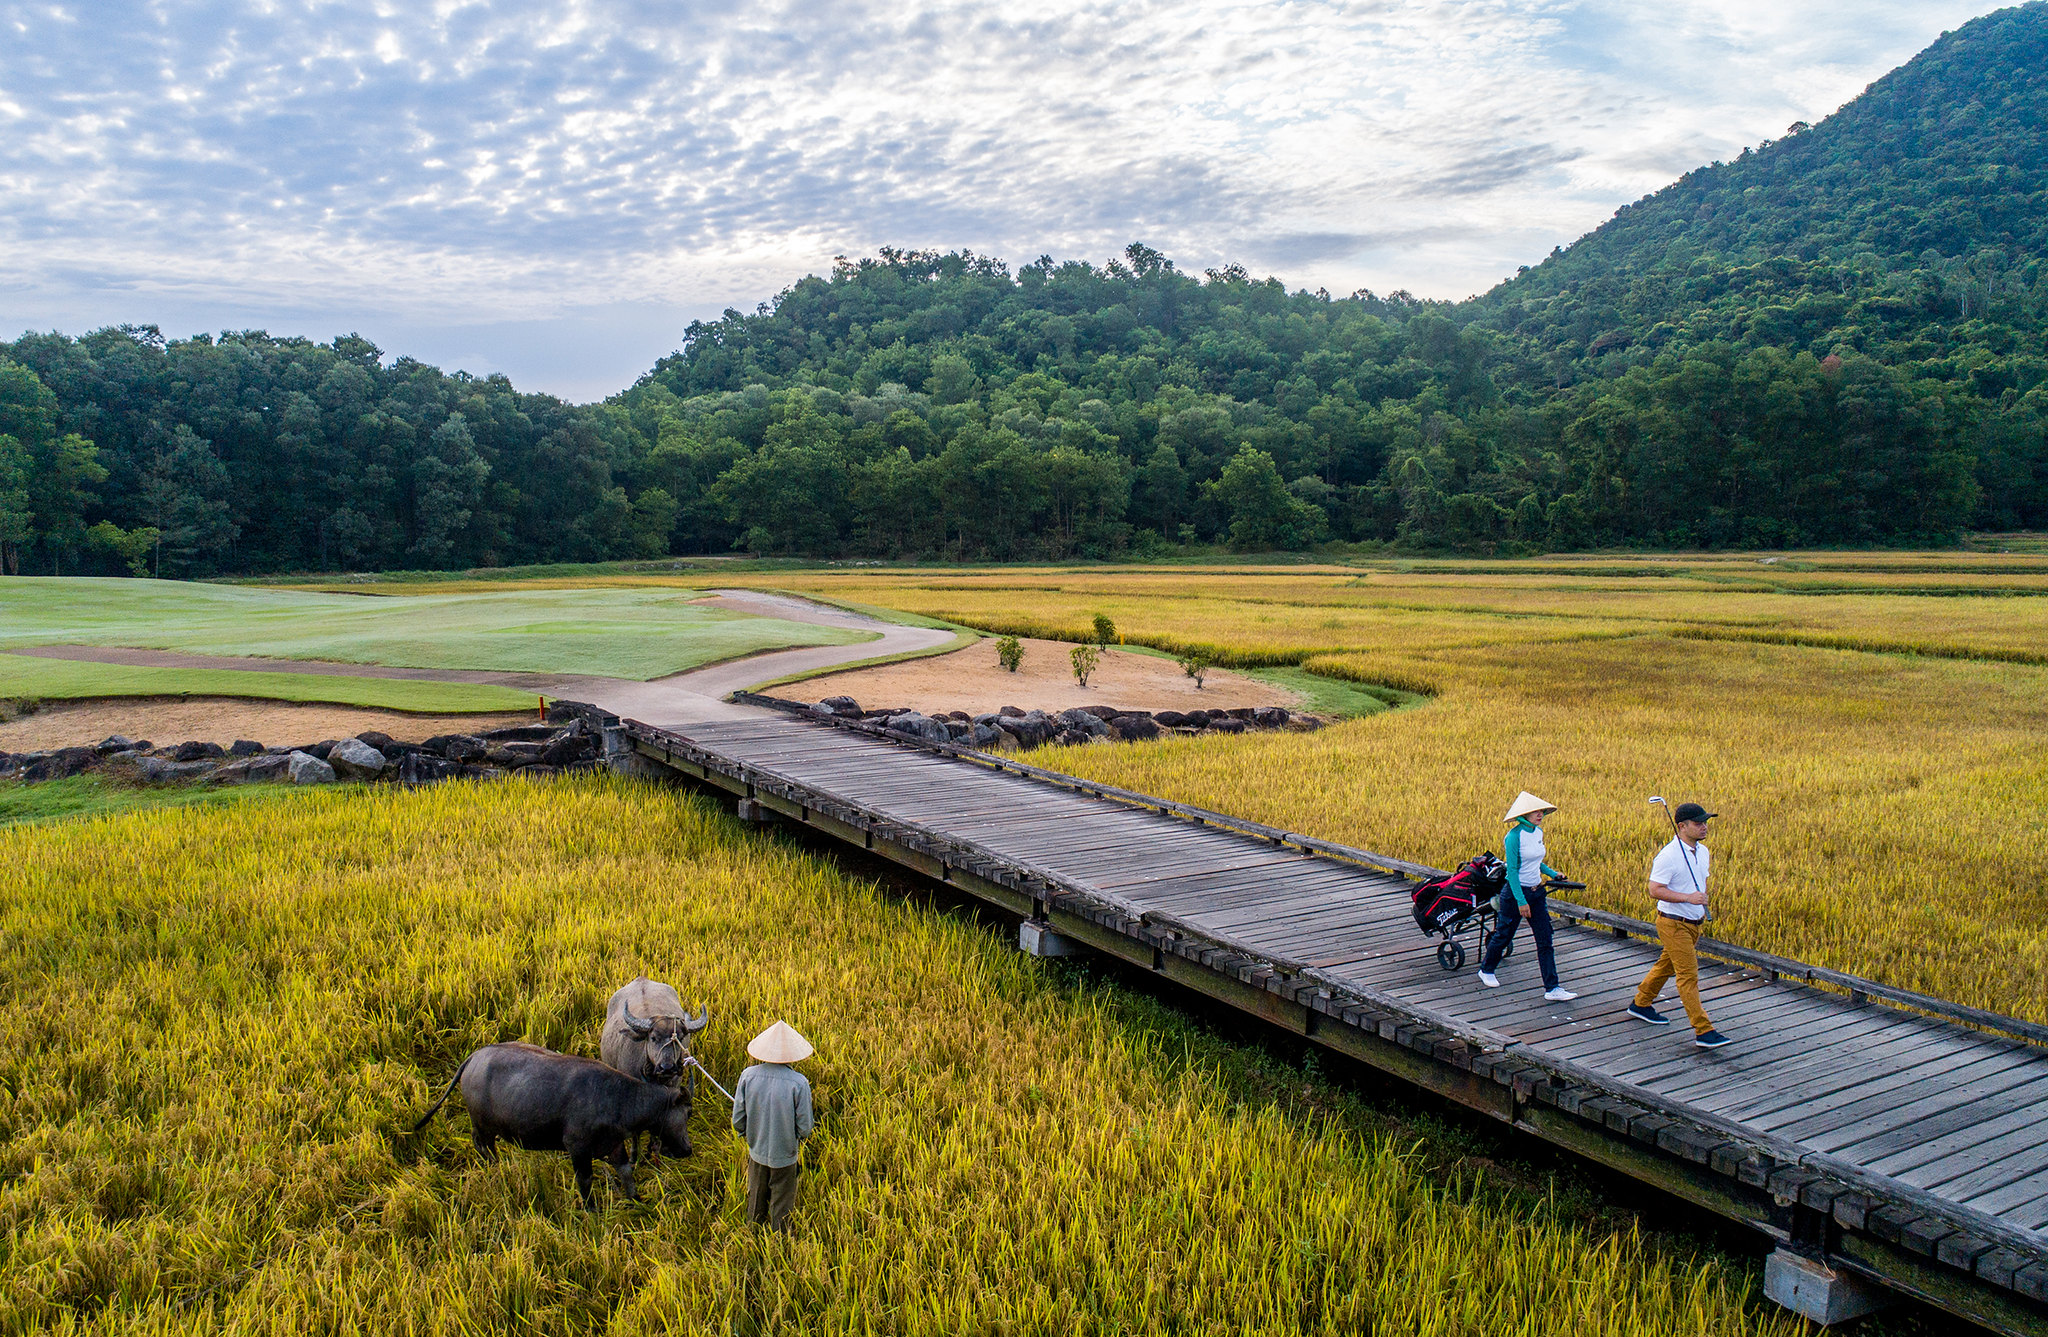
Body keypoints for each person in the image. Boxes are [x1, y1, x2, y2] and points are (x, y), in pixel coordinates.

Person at [1628, 802, 1732, 1048]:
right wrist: (1688, 898)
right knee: (1687, 975)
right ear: (1682, 827)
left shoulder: (1703, 851)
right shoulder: (1669, 855)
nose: (1704, 827)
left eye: (1705, 822)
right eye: (1698, 823)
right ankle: (1703, 1031)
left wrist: (1698, 903)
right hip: (1673, 923)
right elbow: (1655, 890)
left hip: (1693, 922)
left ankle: (1641, 1003)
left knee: (1666, 965)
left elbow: (1700, 882)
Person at [1477, 791, 1576, 1001]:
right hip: (1515, 894)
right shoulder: (1513, 837)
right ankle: (1486, 969)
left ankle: (1552, 988)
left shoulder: (1537, 833)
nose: (1539, 814)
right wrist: (1521, 901)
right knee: (1504, 935)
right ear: (1524, 815)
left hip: (1536, 892)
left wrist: (1552, 873)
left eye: (1541, 811)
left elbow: (1535, 862)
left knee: (1545, 940)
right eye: (1535, 812)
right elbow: (1512, 871)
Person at [731, 1020, 816, 1230]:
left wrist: (746, 1133)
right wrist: (796, 1137)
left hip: (756, 1151)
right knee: (782, 1202)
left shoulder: (747, 1075)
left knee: (756, 1196)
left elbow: (738, 1118)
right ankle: (779, 1241)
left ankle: (753, 1236)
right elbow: (805, 1127)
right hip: (785, 1154)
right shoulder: (799, 1083)